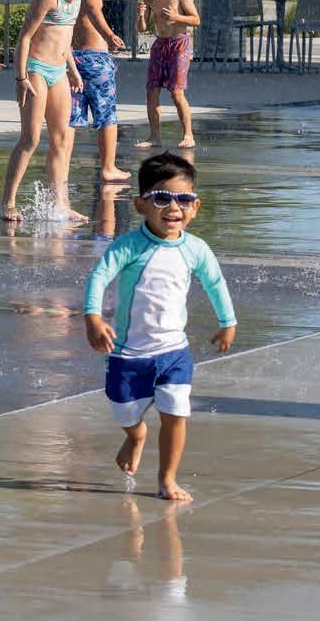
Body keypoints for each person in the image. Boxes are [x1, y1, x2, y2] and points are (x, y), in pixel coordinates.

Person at [83, 151, 236, 504]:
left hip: (173, 353)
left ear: (195, 207)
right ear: (140, 205)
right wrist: (92, 317)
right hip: (128, 354)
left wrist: (227, 322)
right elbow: (99, 277)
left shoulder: (195, 249)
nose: (173, 208)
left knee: (176, 414)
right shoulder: (129, 246)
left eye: (184, 199)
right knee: (125, 411)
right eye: (162, 198)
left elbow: (215, 283)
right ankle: (136, 436)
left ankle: (167, 479)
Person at [0, 0, 102, 222]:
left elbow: (64, 40)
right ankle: (8, 202)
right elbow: (24, 38)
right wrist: (20, 77)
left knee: (61, 139)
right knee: (31, 139)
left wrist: (73, 70)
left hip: (59, 72)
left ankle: (61, 204)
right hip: (36, 70)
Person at [68, 0, 128, 185]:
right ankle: (108, 167)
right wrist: (109, 35)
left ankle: (63, 167)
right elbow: (93, 9)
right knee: (106, 113)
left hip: (70, 55)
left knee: (71, 115)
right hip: (93, 56)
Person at [135, 0, 200, 149]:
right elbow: (141, 29)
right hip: (160, 44)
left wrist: (176, 17)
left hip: (179, 44)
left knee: (176, 92)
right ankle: (154, 137)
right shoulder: (149, 0)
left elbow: (196, 19)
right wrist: (141, 16)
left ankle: (188, 135)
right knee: (151, 91)